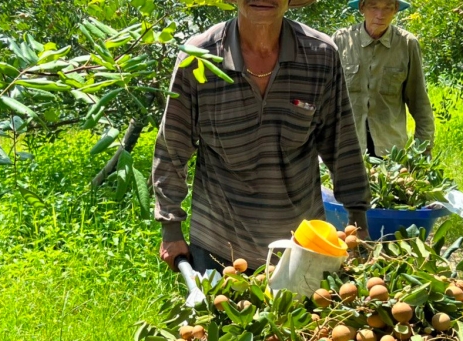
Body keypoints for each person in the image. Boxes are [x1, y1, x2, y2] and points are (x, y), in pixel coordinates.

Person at [152, 0, 371, 274]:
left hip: (300, 246)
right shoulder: (200, 58)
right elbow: (173, 145)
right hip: (218, 245)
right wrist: (171, 227)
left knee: (303, 318)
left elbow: (342, 142)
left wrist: (358, 221)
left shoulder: (320, 55)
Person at [332, 0, 435, 157]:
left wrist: (423, 149)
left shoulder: (407, 44)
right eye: (374, 7)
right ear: (362, 8)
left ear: (395, 10)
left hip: (390, 150)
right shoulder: (341, 41)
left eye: (388, 7)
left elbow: (419, 100)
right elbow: (323, 98)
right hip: (346, 147)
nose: (380, 15)